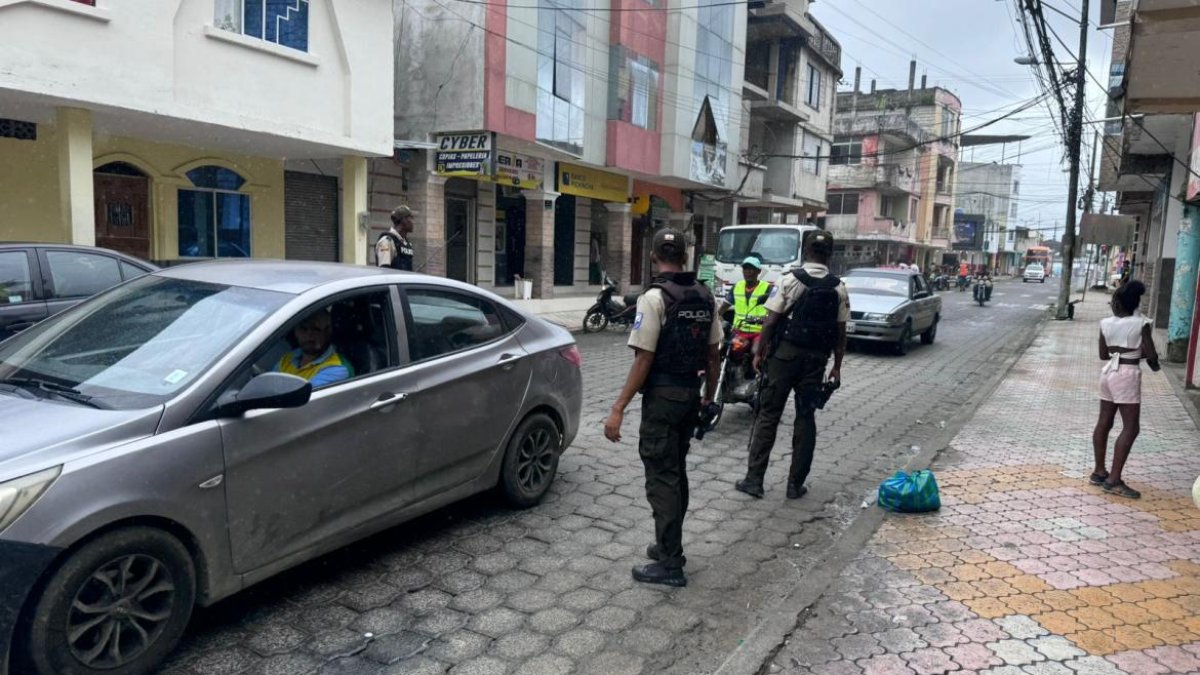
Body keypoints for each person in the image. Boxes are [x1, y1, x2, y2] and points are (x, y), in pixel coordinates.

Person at [603, 228, 721, 587]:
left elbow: (643, 359)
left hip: (663, 399)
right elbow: (714, 354)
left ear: (653, 256)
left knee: (662, 477)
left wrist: (618, 408)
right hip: (690, 395)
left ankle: (670, 564)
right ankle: (670, 546)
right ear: (685, 256)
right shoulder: (705, 295)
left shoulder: (654, 298)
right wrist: (708, 396)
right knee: (676, 472)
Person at [735, 231, 849, 500]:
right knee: (805, 418)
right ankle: (795, 485)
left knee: (768, 415)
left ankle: (754, 480)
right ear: (829, 254)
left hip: (784, 358)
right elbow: (841, 332)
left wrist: (759, 351)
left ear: (805, 251)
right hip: (816, 361)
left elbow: (771, 320)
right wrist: (837, 367)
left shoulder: (789, 280)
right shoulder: (838, 287)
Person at [1091, 281, 1159, 499]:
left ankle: (1099, 472)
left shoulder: (1105, 323)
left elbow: (1103, 354)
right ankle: (1114, 480)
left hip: (1108, 372)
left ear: (1118, 304)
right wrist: (1142, 357)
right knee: (1131, 427)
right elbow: (1151, 354)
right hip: (1127, 375)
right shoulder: (1141, 324)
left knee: (1104, 421)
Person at [275, 309, 353, 387]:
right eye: (304, 328)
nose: (309, 335)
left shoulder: (338, 368)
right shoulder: (288, 357)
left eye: (316, 329)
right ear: (296, 332)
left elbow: (301, 396)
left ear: (328, 331)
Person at [727, 256, 773, 334]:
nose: (748, 272)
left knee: (756, 346)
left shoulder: (768, 288)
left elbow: (774, 312)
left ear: (759, 271)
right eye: (745, 269)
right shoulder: (737, 286)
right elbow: (724, 306)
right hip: (738, 331)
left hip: (758, 332)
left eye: (751, 269)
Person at [376, 205, 417, 271]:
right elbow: (384, 270)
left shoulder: (405, 242)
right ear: (404, 220)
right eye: (411, 218)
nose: (413, 222)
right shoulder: (387, 242)